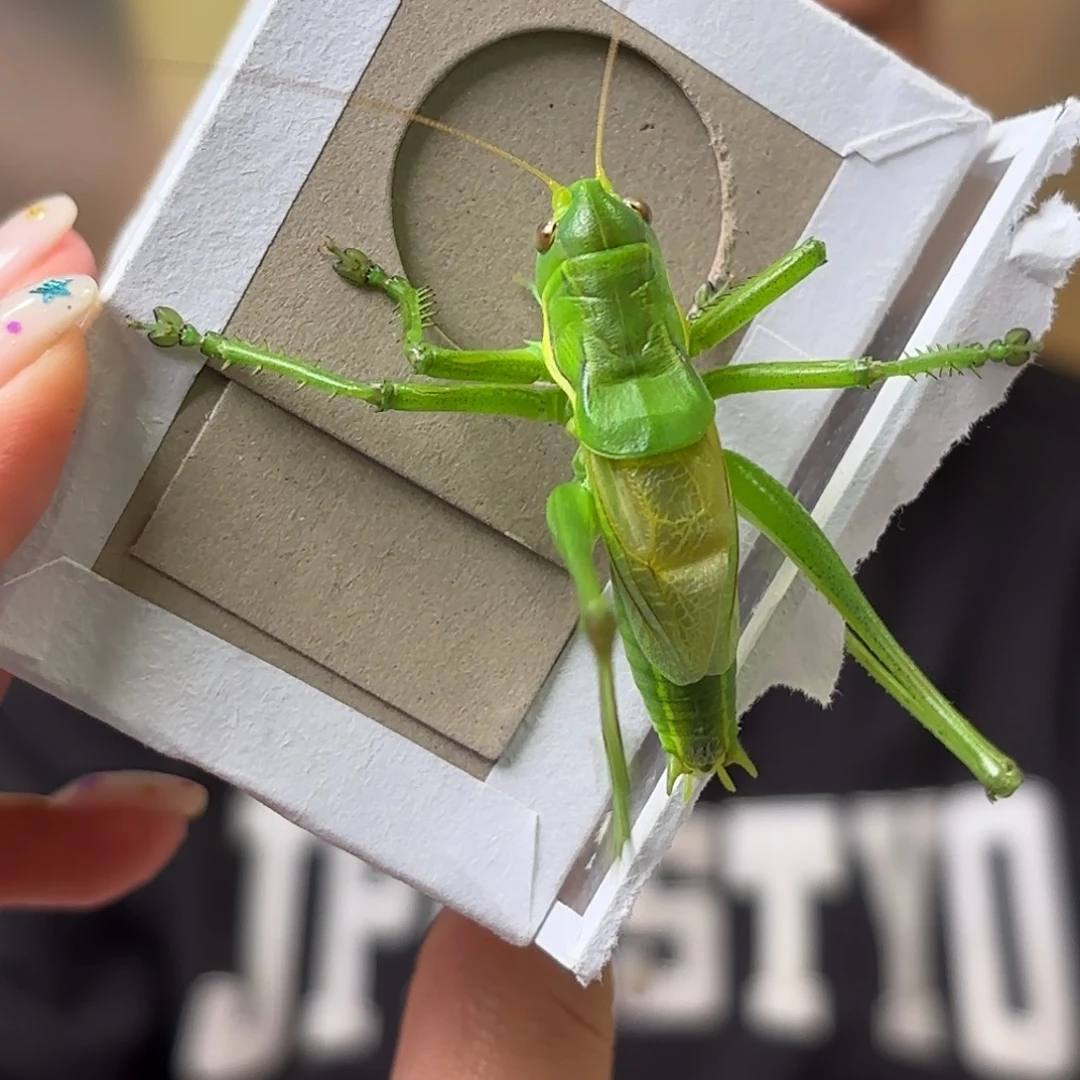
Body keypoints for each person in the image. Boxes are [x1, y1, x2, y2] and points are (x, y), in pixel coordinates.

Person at [5, 1, 1079, 1078]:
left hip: (656, 492)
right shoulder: (70, 689)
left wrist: (387, 306)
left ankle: (646, 803)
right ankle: (657, 793)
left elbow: (405, 375)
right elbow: (814, 286)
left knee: (625, 579)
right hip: (686, 483)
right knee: (628, 590)